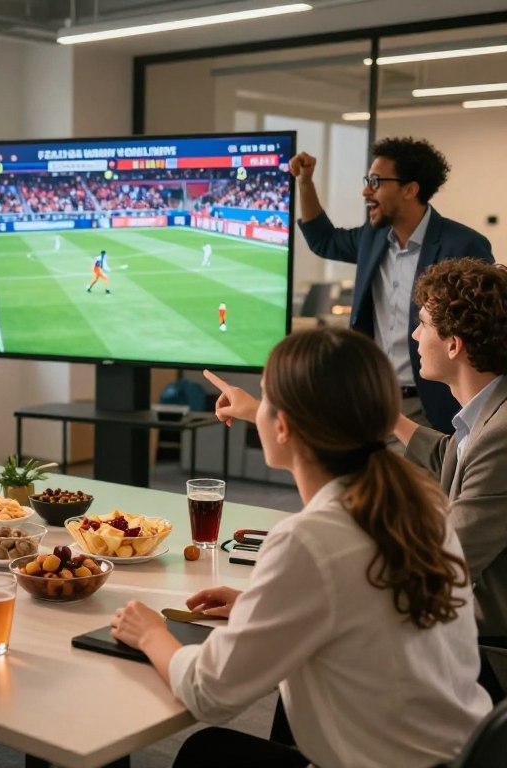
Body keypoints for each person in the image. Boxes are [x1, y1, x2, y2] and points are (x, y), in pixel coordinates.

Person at [111, 328, 490, 768]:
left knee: (205, 752)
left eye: (265, 398)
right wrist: (261, 604)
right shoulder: (422, 505)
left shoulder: (310, 540)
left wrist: (150, 633)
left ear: (283, 425)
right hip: (457, 755)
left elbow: (208, 693)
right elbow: (360, 606)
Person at [290, 137, 493, 432]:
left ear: (410, 189)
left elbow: (484, 329)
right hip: (372, 398)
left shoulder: (462, 244)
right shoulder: (372, 239)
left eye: (375, 182)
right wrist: (305, 183)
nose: (365, 191)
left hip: (433, 408)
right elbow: (324, 240)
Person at [393, 259, 507, 640]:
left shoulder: (500, 435)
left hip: (485, 648)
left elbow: (443, 565)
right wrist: (388, 416)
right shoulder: (489, 415)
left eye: (423, 324)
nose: (414, 336)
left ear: (454, 345)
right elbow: (452, 458)